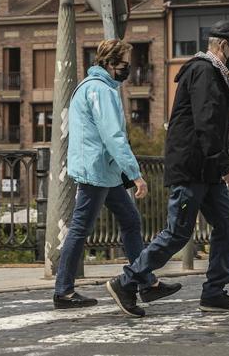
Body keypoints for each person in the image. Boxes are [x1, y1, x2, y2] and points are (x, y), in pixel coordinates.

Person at [106, 21, 229, 317]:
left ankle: (214, 293)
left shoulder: (213, 72)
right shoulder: (203, 71)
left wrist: (217, 164)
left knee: (227, 225)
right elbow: (206, 122)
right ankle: (127, 282)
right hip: (191, 168)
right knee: (177, 233)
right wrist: (225, 164)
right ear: (222, 45)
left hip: (206, 171)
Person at [52, 39, 181, 309]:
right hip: (95, 171)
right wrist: (135, 174)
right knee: (80, 228)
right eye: (124, 63)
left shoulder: (92, 87)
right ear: (110, 64)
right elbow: (113, 136)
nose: (128, 68)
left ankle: (146, 283)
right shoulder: (100, 90)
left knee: (130, 221)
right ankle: (63, 291)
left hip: (102, 171)